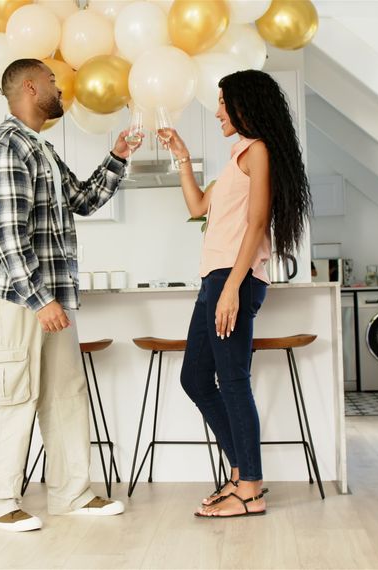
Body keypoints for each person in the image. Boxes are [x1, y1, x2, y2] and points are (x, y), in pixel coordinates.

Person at [0, 58, 139, 532]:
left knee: (65, 393)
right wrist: (40, 299)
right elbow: (6, 234)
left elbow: (82, 198)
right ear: (29, 85)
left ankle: (72, 493)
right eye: (53, 82)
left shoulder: (38, 147)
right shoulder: (5, 146)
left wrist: (118, 154)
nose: (61, 89)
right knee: (11, 394)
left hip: (46, 295)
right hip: (14, 296)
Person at [159, 70, 311, 518]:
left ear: (245, 105)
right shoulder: (238, 156)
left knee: (233, 380)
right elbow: (197, 207)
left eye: (224, 101)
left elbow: (257, 222)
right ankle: (242, 474)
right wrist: (183, 158)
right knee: (195, 379)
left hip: (233, 278)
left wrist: (231, 288)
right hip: (216, 279)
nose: (218, 109)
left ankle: (250, 489)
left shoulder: (259, 150)